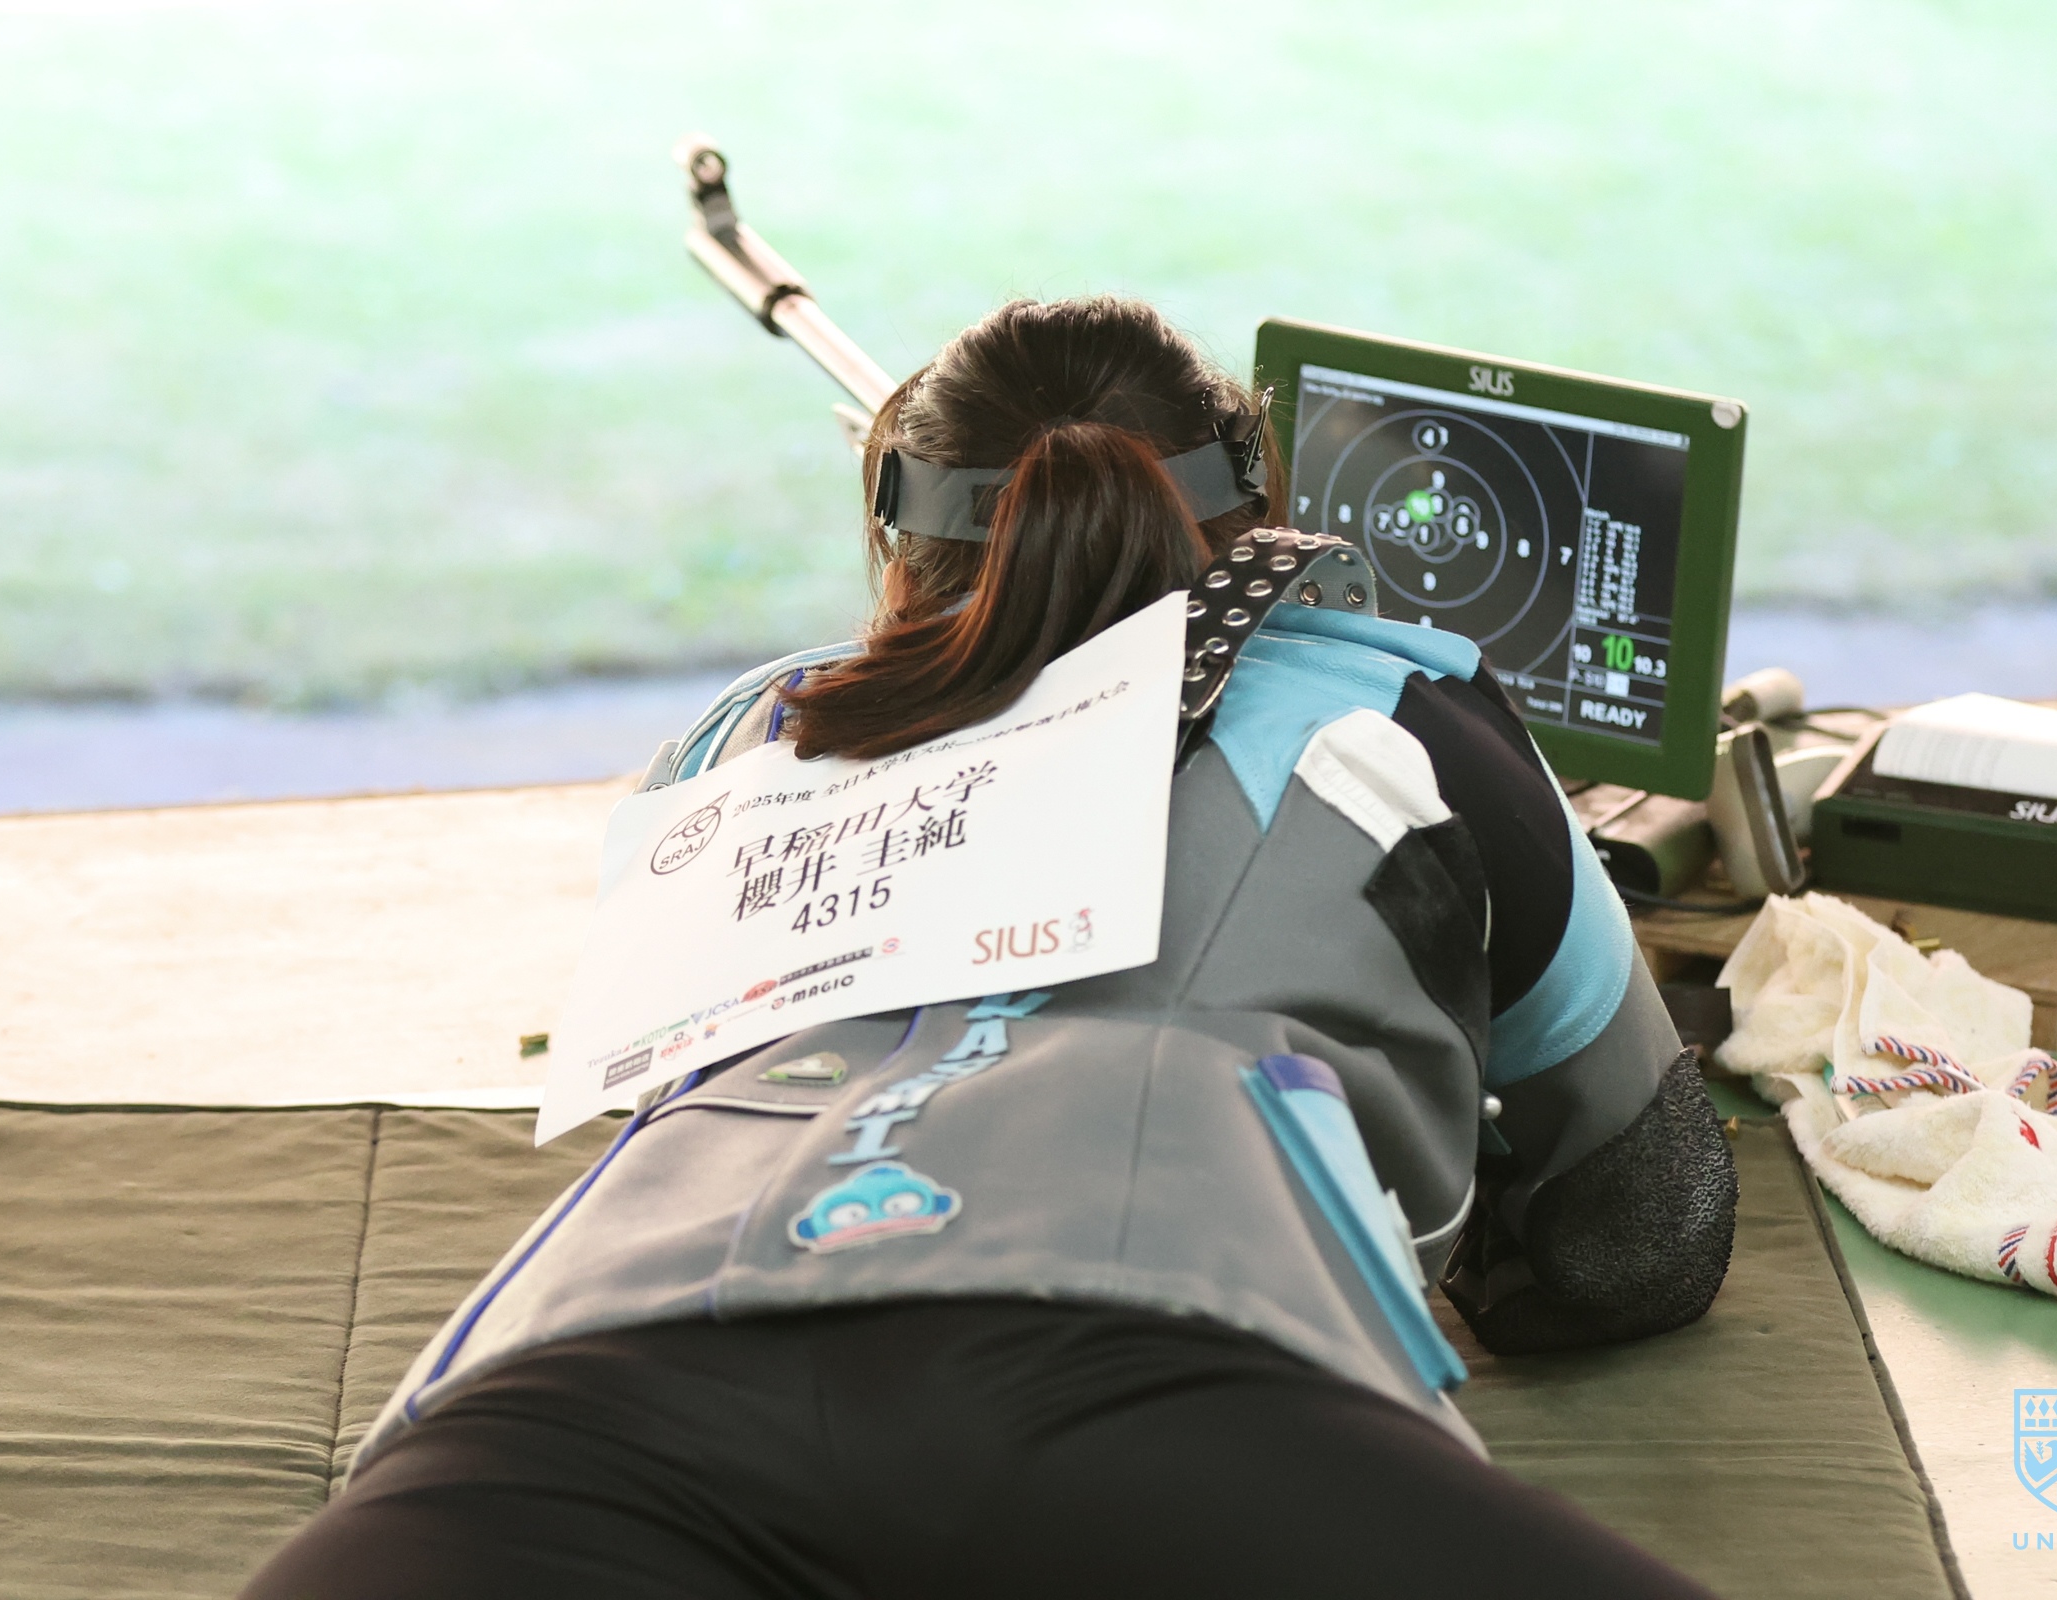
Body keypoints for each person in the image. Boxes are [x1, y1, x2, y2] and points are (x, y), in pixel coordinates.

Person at [241, 297, 1737, 1600]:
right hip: (1170, 1365)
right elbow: (1641, 1237)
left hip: (620, 1361)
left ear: (900, 529)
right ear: (1254, 499)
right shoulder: (1409, 723)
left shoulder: (743, 741)